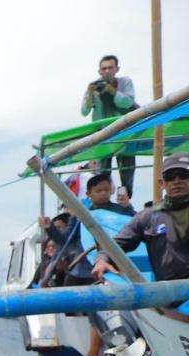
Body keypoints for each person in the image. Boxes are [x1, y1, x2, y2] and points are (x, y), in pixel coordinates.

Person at [93, 153, 189, 290]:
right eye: (170, 176)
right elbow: (118, 243)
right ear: (162, 183)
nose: (177, 180)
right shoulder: (148, 216)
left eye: (184, 174)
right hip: (171, 296)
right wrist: (102, 259)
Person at [81, 55, 137, 195]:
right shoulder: (94, 86)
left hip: (124, 133)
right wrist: (89, 93)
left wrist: (112, 91)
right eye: (103, 68)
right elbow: (84, 111)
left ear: (116, 69)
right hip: (103, 135)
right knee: (102, 175)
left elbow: (128, 103)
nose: (107, 71)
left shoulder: (125, 82)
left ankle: (125, 200)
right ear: (99, 71)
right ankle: (104, 201)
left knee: (126, 170)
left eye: (110, 68)